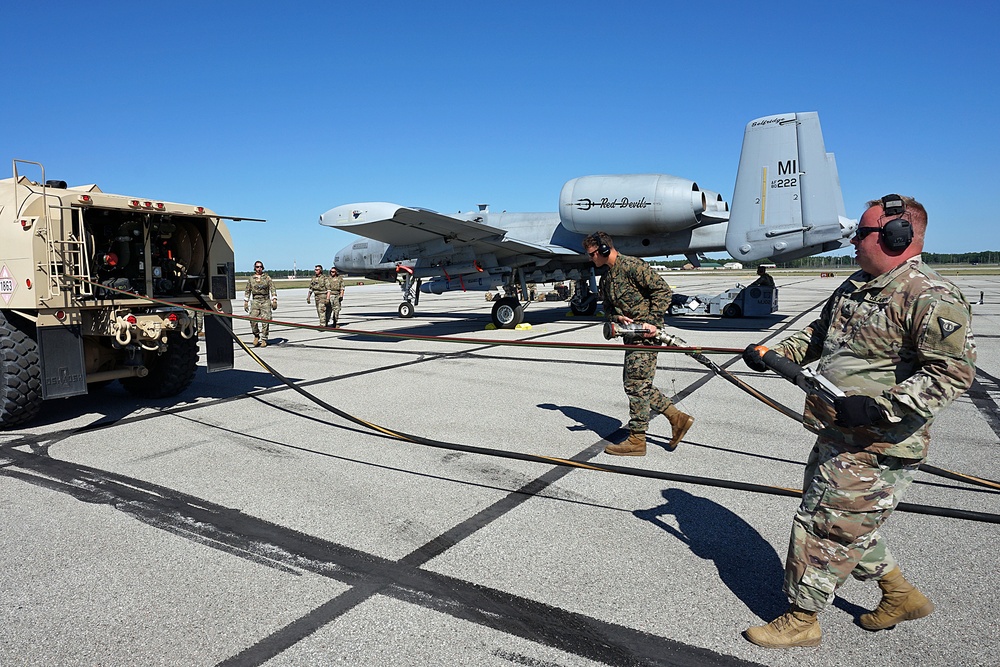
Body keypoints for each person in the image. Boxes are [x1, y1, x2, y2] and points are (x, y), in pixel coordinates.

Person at [741, 195, 976, 648]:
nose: (853, 241)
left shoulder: (930, 296)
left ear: (896, 237)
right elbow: (820, 335)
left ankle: (802, 619)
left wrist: (879, 408)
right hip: (838, 431)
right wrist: (775, 355)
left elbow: (951, 372)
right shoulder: (856, 284)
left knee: (823, 524)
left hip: (878, 441)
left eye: (862, 233)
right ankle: (900, 595)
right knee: (849, 521)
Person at [583, 231, 695, 455]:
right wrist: (617, 318)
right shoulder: (607, 278)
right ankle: (677, 418)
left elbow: (662, 291)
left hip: (648, 336)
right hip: (631, 336)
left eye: (593, 253)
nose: (591, 258)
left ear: (604, 249)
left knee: (635, 385)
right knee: (636, 383)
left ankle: (637, 439)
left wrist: (652, 322)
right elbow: (607, 308)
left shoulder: (632, 266)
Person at [243, 260, 277, 347]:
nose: (259, 268)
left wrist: (274, 300)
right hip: (255, 301)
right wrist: (246, 302)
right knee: (253, 319)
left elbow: (272, 288)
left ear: (263, 268)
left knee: (266, 320)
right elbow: (248, 290)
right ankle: (256, 335)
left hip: (265, 301)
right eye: (257, 267)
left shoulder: (267, 278)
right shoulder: (251, 279)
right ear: (255, 268)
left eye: (260, 267)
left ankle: (264, 339)